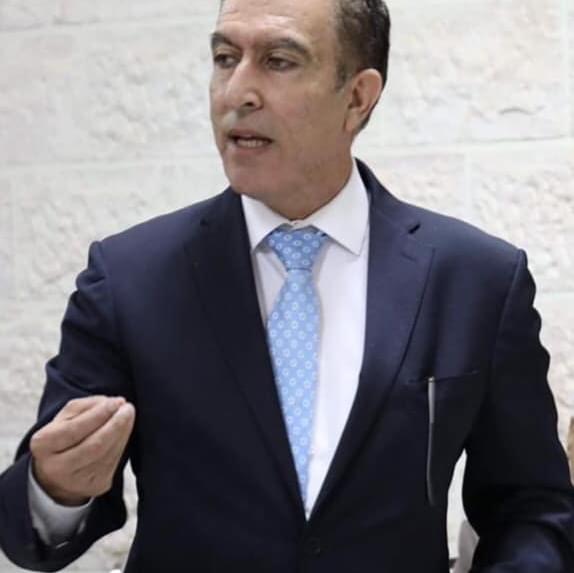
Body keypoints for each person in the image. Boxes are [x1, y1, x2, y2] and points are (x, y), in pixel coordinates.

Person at [1, 0, 573, 570]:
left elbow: (531, 507)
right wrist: (56, 489)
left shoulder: (475, 280)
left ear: (358, 97)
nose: (237, 92)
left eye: (278, 61)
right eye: (225, 58)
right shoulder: (129, 277)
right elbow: (28, 530)